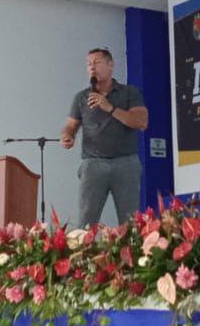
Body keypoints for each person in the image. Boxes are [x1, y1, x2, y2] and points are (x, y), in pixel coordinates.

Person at [60, 48, 148, 229]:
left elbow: (141, 122)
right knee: (85, 223)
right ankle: (85, 249)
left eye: (97, 62)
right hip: (93, 164)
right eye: (89, 64)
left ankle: (130, 248)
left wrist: (110, 108)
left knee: (130, 223)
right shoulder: (81, 97)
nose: (92, 67)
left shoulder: (129, 92)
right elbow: (70, 125)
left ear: (110, 65)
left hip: (125, 163)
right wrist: (68, 135)